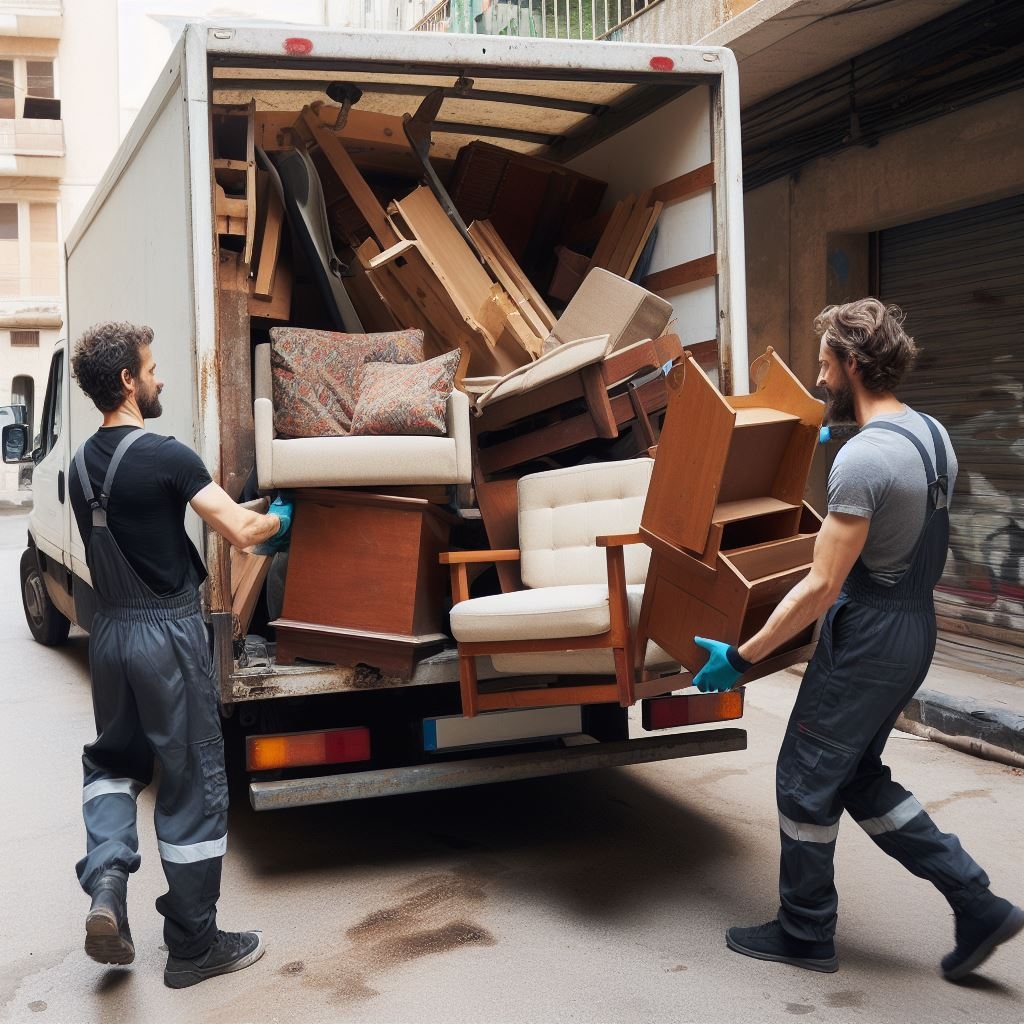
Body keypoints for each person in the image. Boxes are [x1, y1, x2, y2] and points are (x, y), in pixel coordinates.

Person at [692, 299, 1023, 981]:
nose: (818, 380)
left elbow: (819, 586)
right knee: (857, 774)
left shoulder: (864, 460)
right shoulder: (931, 433)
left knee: (803, 782)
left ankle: (805, 931)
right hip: (915, 627)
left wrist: (743, 655)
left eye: (824, 365)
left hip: (868, 633)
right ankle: (977, 901)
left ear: (851, 364)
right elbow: (899, 512)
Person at [68, 322, 292, 989]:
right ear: (129, 382)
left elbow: (146, 522)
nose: (161, 377)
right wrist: (289, 513)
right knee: (192, 779)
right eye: (153, 368)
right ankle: (195, 944)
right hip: (167, 636)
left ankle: (107, 877)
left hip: (111, 635)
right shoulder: (167, 455)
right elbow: (245, 533)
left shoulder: (78, 466)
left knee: (113, 764)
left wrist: (248, 508)